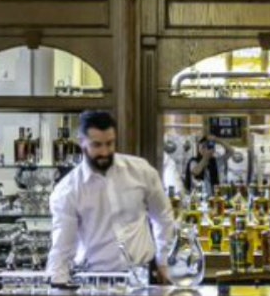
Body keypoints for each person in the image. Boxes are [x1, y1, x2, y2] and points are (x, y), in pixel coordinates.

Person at [46, 110, 175, 285]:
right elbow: (62, 247)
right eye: (97, 145)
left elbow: (163, 216)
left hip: (143, 275)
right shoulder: (68, 190)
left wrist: (163, 261)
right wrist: (57, 287)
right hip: (95, 282)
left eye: (110, 143)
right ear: (82, 142)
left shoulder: (141, 171)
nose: (105, 151)